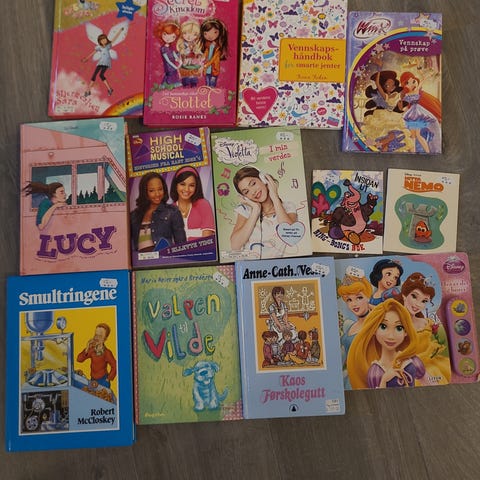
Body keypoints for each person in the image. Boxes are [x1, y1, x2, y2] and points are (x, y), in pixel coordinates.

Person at [347, 299, 425, 389]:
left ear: (406, 332)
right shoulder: (375, 371)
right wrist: (384, 380)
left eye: (399, 328)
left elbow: (429, 385)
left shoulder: (411, 361)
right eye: (383, 327)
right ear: (374, 330)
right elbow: (375, 397)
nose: (391, 336)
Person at [396, 272, 451, 385]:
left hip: (431, 366)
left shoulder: (427, 323)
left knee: (434, 372)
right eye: (414, 296)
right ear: (404, 295)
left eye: (424, 301)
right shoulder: (393, 325)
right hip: (406, 369)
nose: (418, 304)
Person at [231, 167, 297, 258]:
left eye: (253, 183)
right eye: (246, 192)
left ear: (263, 179)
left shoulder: (288, 207)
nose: (253, 192)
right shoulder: (245, 210)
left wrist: (274, 197)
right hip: (249, 264)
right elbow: (235, 246)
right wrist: (255, 210)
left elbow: (291, 236)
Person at [130, 172, 186, 252]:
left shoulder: (173, 212)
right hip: (140, 259)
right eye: (152, 191)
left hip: (163, 258)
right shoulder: (134, 215)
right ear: (144, 192)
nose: (157, 194)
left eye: (160, 189)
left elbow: (182, 245)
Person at [337, 275, 373, 386]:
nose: (354, 304)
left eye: (359, 298)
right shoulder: (349, 325)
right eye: (349, 300)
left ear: (368, 297)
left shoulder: (376, 324)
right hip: (349, 381)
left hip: (369, 380)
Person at [399, 71, 442, 153]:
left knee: (417, 135)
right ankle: (413, 152)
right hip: (411, 115)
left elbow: (422, 81)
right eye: (408, 83)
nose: (412, 85)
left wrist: (427, 75)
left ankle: (427, 151)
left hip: (417, 114)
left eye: (413, 81)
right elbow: (405, 106)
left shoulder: (416, 91)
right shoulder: (406, 95)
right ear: (404, 86)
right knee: (413, 136)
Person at [170, 166, 215, 240]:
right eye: (182, 184)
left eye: (191, 185)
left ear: (196, 187)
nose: (186, 189)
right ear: (176, 185)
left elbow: (207, 240)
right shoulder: (169, 210)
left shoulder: (203, 204)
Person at [82, 28, 124, 97]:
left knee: (101, 75)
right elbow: (93, 52)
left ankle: (109, 89)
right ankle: (88, 90)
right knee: (95, 75)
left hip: (106, 62)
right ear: (100, 41)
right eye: (102, 40)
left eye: (104, 39)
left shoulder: (108, 45)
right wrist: (87, 58)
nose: (103, 41)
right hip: (101, 62)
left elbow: (115, 38)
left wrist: (120, 31)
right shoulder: (99, 47)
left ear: (106, 39)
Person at [76, 323, 116, 389]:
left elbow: (115, 366)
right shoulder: (91, 349)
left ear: (105, 338)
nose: (97, 338)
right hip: (93, 380)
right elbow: (79, 359)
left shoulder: (107, 353)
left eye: (100, 336)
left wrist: (108, 378)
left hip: (103, 381)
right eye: (96, 335)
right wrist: (87, 348)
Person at [200, 18, 228, 87]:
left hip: (214, 69)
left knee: (212, 84)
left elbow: (214, 58)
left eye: (215, 32)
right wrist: (202, 57)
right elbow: (206, 52)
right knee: (207, 84)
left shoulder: (218, 48)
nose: (210, 36)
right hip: (207, 70)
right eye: (206, 33)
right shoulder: (207, 45)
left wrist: (207, 64)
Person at [154, 21, 182, 89]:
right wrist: (175, 66)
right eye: (165, 34)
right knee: (169, 75)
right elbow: (167, 60)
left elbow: (174, 54)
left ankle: (171, 87)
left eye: (173, 37)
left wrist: (179, 60)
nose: (168, 38)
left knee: (174, 75)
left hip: (173, 64)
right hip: (168, 66)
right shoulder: (163, 48)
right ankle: (165, 86)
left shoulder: (170, 47)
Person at [177, 20, 203, 88]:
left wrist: (199, 56)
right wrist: (183, 57)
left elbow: (199, 53)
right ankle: (186, 86)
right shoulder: (182, 44)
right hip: (185, 63)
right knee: (186, 78)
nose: (189, 36)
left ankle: (193, 85)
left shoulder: (196, 44)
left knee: (194, 79)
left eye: (194, 34)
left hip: (194, 63)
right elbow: (180, 54)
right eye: (185, 33)